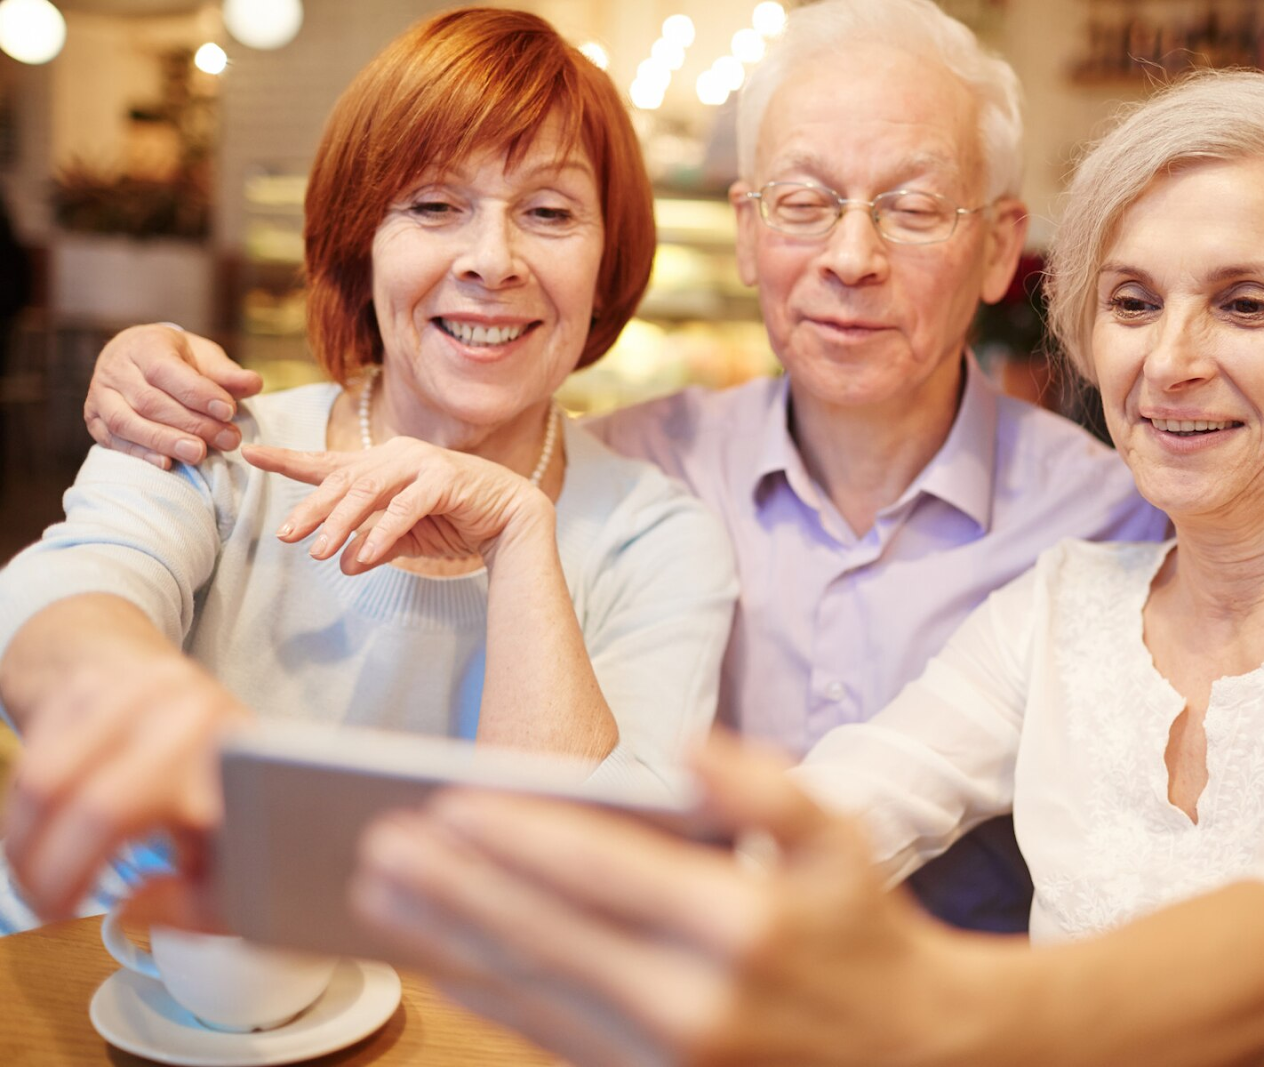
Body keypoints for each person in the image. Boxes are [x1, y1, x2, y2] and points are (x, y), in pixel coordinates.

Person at [341, 72, 1264, 1066]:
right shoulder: (1060, 609)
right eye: (1131, 300)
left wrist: (959, 1014)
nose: (1169, 359)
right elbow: (840, 808)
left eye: (1247, 304)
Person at [73, 0, 1169, 934]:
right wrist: (141, 369)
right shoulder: (632, 467)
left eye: (913, 207)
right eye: (802, 202)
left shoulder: (1109, 523)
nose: (849, 258)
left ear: (997, 245)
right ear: (744, 236)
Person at [0, 9, 736, 933]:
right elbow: (54, 598)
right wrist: (146, 710)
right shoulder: (221, 437)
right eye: (434, 206)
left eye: (549, 212)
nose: (491, 261)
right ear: (360, 242)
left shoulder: (655, 538)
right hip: (110, 972)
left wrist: (518, 537)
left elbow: (577, 887)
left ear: (608, 263)